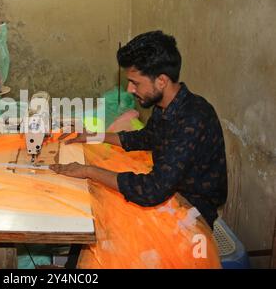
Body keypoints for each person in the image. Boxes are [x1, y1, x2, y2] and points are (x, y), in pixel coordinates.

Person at [50, 30, 227, 229]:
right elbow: (145, 138)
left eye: (135, 83)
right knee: (95, 204)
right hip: (170, 195)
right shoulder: (166, 106)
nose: (129, 90)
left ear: (161, 80)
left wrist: (89, 171)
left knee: (102, 221)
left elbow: (151, 191)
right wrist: (94, 135)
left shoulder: (192, 119)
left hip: (190, 214)